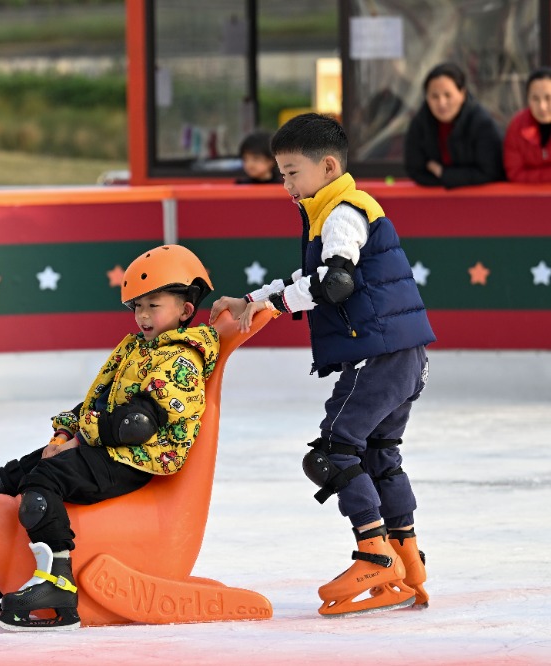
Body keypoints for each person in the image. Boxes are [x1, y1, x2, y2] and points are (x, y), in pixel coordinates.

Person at [211, 113, 434, 617]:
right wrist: (252, 298)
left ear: (327, 166)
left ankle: (374, 553)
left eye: (291, 172)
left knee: (333, 452)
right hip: (405, 353)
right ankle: (407, 560)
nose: (283, 183)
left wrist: (276, 305)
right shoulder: (334, 210)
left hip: (378, 355)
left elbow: (335, 284)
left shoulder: (342, 215)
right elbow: (310, 275)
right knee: (378, 453)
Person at [0, 244, 218, 631]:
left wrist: (79, 441)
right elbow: (97, 400)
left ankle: (57, 584)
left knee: (42, 483)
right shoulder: (134, 348)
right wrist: (63, 432)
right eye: (137, 306)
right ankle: (7, 571)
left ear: (185, 308)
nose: (143, 315)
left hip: (138, 459)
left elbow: (137, 426)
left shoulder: (180, 358)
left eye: (154, 305)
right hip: (105, 444)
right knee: (4, 481)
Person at [403, 62, 504, 188]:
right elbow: (415, 169)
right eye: (434, 96)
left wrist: (444, 174)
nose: (441, 103)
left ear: (462, 94)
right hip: (434, 199)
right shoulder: (420, 123)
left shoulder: (482, 124)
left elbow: (490, 171)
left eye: (448, 95)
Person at [503, 67, 551, 183]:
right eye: (535, 99)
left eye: (548, 98)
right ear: (527, 99)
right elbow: (514, 173)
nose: (542, 107)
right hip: (526, 197)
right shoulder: (517, 126)